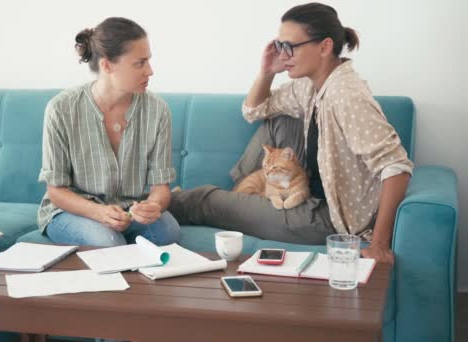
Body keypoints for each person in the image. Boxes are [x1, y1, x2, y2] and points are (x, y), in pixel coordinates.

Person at [168, 3, 413, 264]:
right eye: (280, 46)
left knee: (203, 201)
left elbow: (396, 167)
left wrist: (379, 245)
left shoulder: (346, 95)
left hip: (329, 216)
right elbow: (255, 110)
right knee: (278, 120)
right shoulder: (311, 85)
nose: (284, 56)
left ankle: (146, 204)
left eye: (290, 47)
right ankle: (240, 199)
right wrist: (267, 71)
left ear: (324, 46)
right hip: (302, 184)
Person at [37, 17, 180, 247]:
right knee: (108, 241)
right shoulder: (61, 109)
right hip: (74, 211)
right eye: (140, 63)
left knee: (167, 232)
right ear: (107, 65)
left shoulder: (158, 110)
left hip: (127, 212)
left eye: (149, 61)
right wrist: (99, 213)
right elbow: (56, 191)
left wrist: (153, 206)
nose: (150, 71)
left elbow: (160, 189)